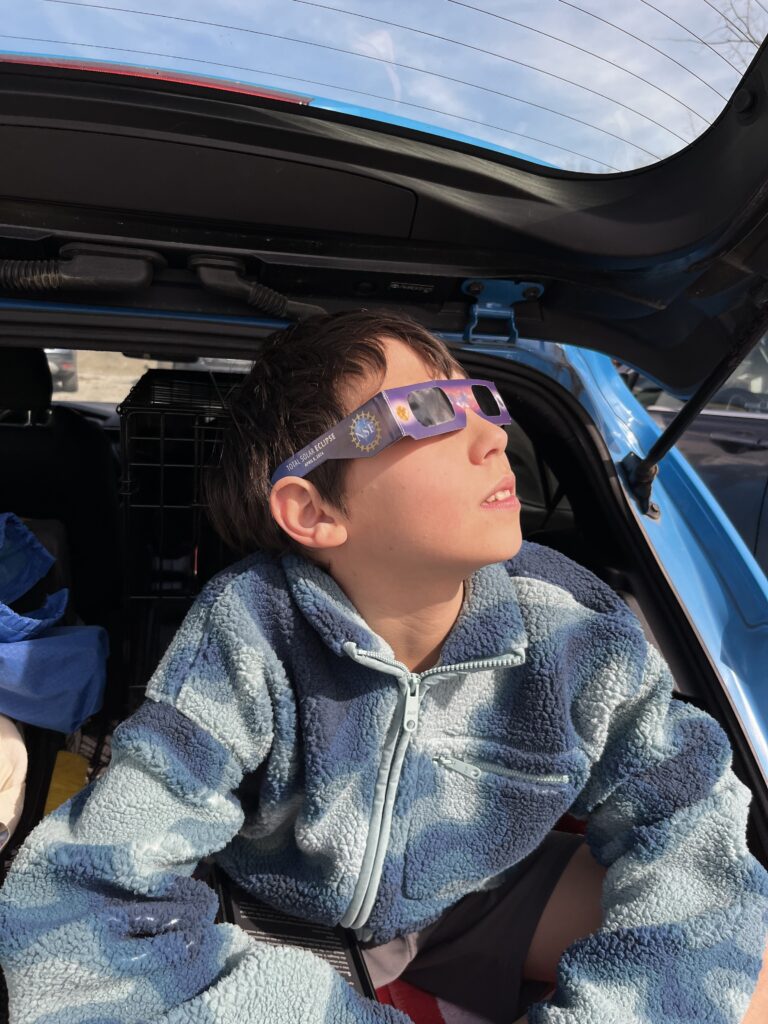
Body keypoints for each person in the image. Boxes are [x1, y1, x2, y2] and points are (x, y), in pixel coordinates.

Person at [0, 311, 766, 1024]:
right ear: (313, 511)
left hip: (473, 895)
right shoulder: (251, 627)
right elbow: (91, 879)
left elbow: (690, 823)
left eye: (481, 400)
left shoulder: (573, 627)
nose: (493, 437)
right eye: (429, 412)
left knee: (740, 951)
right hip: (274, 912)